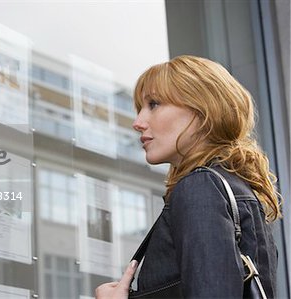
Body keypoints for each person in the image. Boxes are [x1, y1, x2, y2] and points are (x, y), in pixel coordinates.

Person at [95, 55, 281, 298]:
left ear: (202, 110)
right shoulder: (234, 189)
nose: (138, 122)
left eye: (153, 104)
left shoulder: (200, 187)